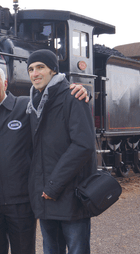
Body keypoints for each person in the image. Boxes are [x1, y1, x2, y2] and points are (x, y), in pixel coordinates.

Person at [0, 63, 89, 254]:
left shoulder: (26, 105)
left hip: (22, 201)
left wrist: (79, 92)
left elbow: (55, 108)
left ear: (5, 83)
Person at [26, 50, 96, 254]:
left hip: (70, 196)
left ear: (53, 70)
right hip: (45, 197)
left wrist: (53, 185)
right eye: (31, 69)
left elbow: (83, 145)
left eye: (40, 67)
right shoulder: (33, 103)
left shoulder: (73, 96)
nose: (35, 73)